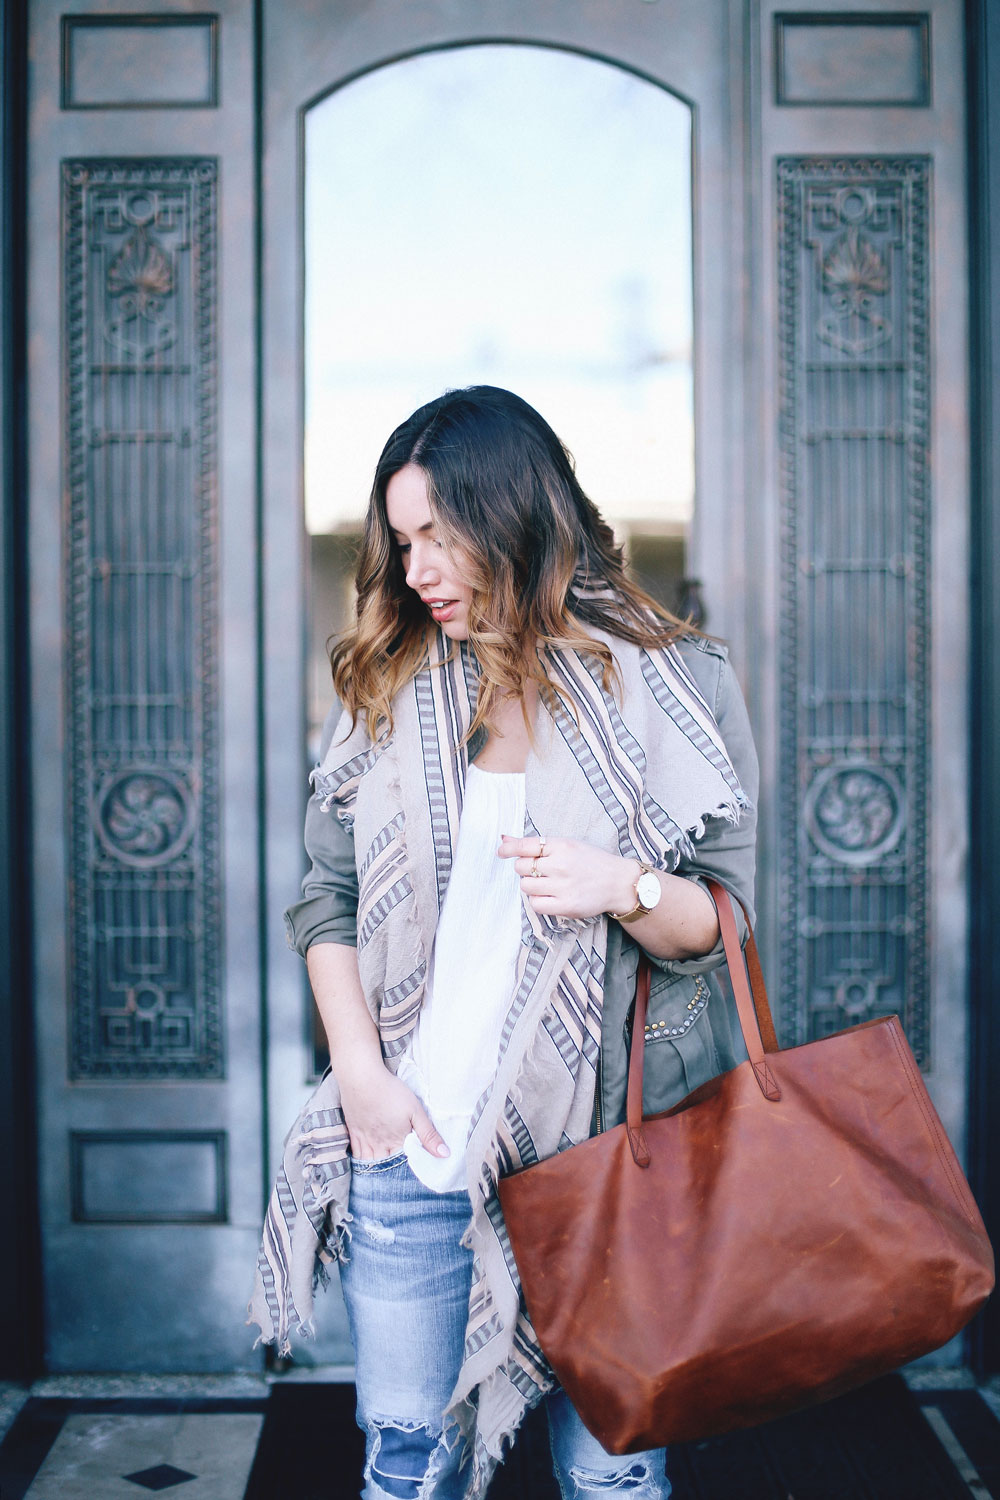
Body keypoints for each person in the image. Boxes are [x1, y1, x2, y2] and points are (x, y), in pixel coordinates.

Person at [250, 386, 758, 1500]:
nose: (418, 567)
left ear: (514, 515)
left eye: (440, 534)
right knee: (402, 1457)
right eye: (402, 541)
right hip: (413, 1131)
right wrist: (363, 1081)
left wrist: (617, 884)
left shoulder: (675, 686)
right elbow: (324, 901)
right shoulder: (388, 687)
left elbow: (718, 921)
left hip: (609, 1141)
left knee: (613, 1469)